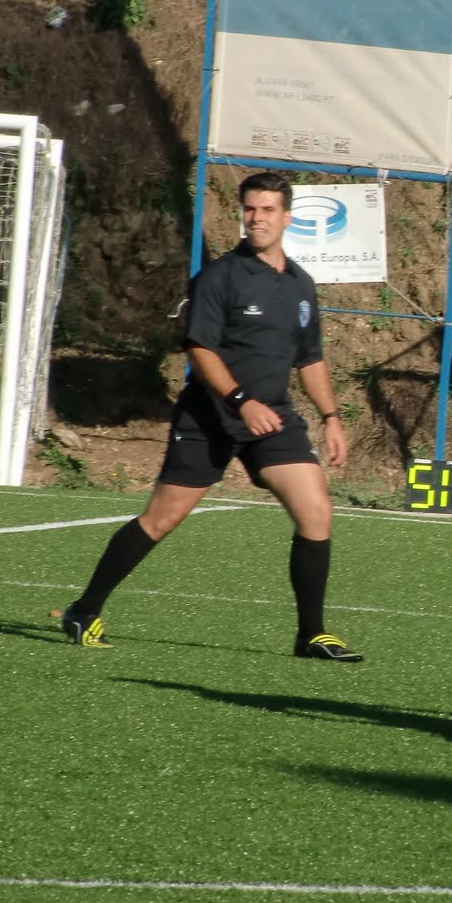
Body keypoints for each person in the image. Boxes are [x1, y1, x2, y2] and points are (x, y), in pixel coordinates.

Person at [60, 171, 364, 659]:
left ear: (287, 217)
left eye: (267, 210)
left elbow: (309, 359)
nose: (257, 218)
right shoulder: (219, 277)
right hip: (210, 419)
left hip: (273, 420)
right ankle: (85, 609)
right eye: (250, 209)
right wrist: (243, 401)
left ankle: (311, 634)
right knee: (161, 519)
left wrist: (331, 416)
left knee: (316, 510)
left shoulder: (302, 285)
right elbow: (199, 350)